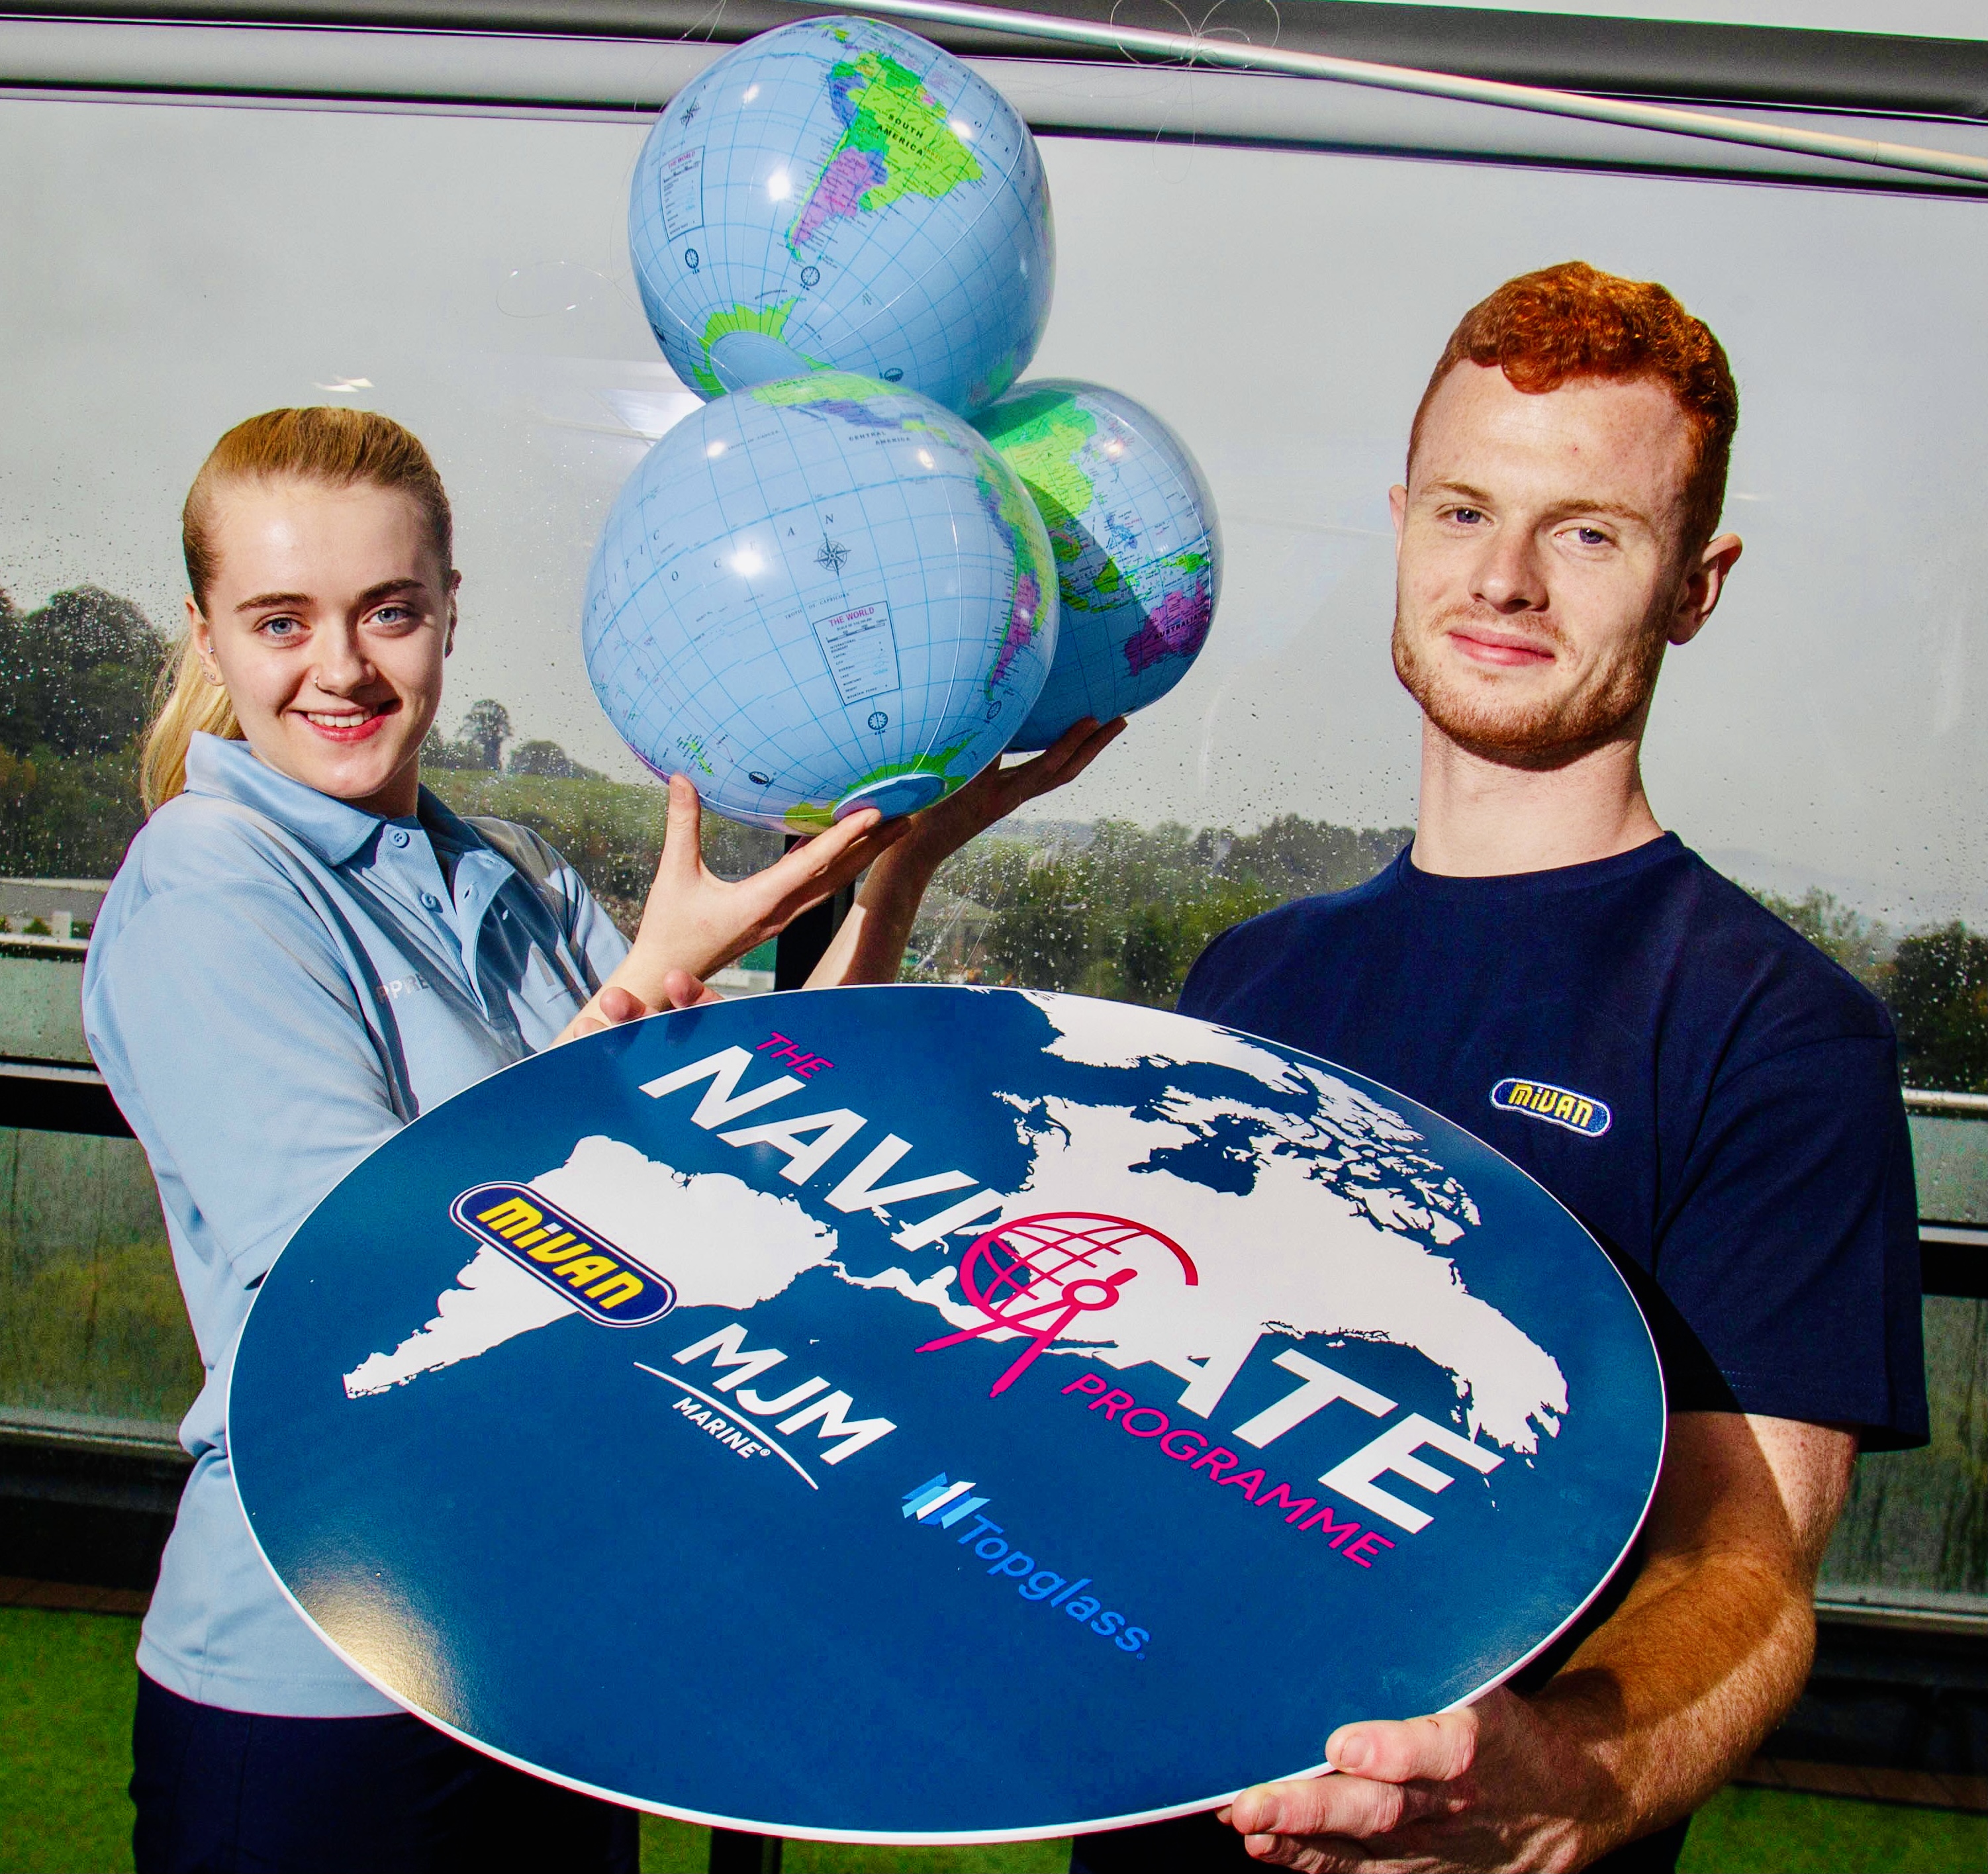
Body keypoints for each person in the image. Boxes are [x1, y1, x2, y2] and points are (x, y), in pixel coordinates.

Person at [83, 405, 1120, 1873]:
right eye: (280, 621)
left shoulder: (509, 872)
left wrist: (905, 860)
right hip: (326, 1667)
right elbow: (369, 1271)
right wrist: (643, 982)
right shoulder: (209, 881)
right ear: (207, 634)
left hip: (549, 1658)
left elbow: (751, 1145)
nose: (342, 668)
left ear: (450, 612)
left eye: (389, 611)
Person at [1073, 262, 1926, 1874]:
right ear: (1400, 525)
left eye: (1587, 532)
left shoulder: (1773, 1030)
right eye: (1463, 511)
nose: (1504, 580)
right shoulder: (1248, 974)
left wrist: (1556, 1785)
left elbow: (1739, 1573)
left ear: (1693, 584)